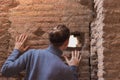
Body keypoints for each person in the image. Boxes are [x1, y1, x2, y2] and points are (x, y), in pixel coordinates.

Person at [1, 24, 81, 80]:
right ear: (66, 42)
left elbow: (5, 71)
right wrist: (73, 67)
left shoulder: (31, 54)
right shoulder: (64, 69)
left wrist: (16, 50)